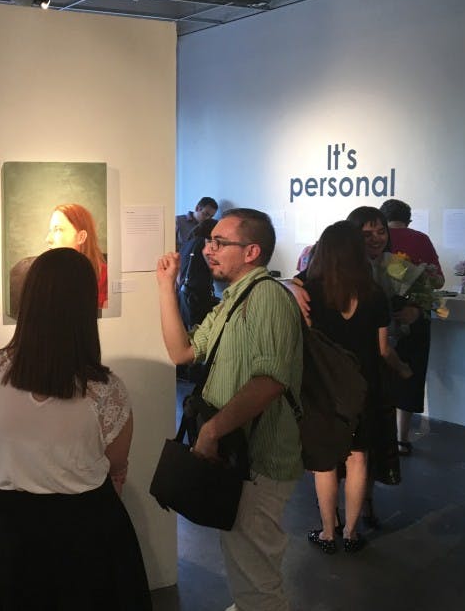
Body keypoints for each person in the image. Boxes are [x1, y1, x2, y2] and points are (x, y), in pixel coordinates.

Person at [0, 248, 150, 610]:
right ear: (84, 310)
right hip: (87, 540)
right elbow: (116, 461)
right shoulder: (104, 389)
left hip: (11, 540)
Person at [157, 208, 302, 611]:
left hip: (259, 458)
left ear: (252, 251)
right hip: (238, 454)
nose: (208, 249)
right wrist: (166, 288)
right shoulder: (233, 299)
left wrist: (211, 431)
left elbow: (270, 380)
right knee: (244, 563)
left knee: (257, 578)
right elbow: (181, 351)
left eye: (220, 242)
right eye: (209, 241)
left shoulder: (268, 297)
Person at [300, 221, 404, 555]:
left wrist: (291, 285)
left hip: (323, 387)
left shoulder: (310, 291)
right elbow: (384, 349)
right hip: (365, 386)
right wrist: (403, 370)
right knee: (358, 458)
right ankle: (351, 532)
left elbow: (283, 289)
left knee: (325, 462)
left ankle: (328, 532)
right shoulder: (374, 293)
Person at [380, 198, 444, 456]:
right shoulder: (420, 239)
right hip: (415, 317)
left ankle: (378, 436)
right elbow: (438, 281)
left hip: (382, 316)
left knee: (381, 375)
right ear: (409, 218)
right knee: (410, 374)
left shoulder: (379, 242)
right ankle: (402, 438)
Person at [44, 203, 109, 310]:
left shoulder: (104, 277)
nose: (48, 239)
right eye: (50, 230)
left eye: (58, 229)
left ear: (81, 237)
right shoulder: (44, 275)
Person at [177, 217, 219, 330]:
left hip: (185, 292)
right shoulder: (204, 244)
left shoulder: (188, 243)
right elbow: (212, 267)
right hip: (198, 294)